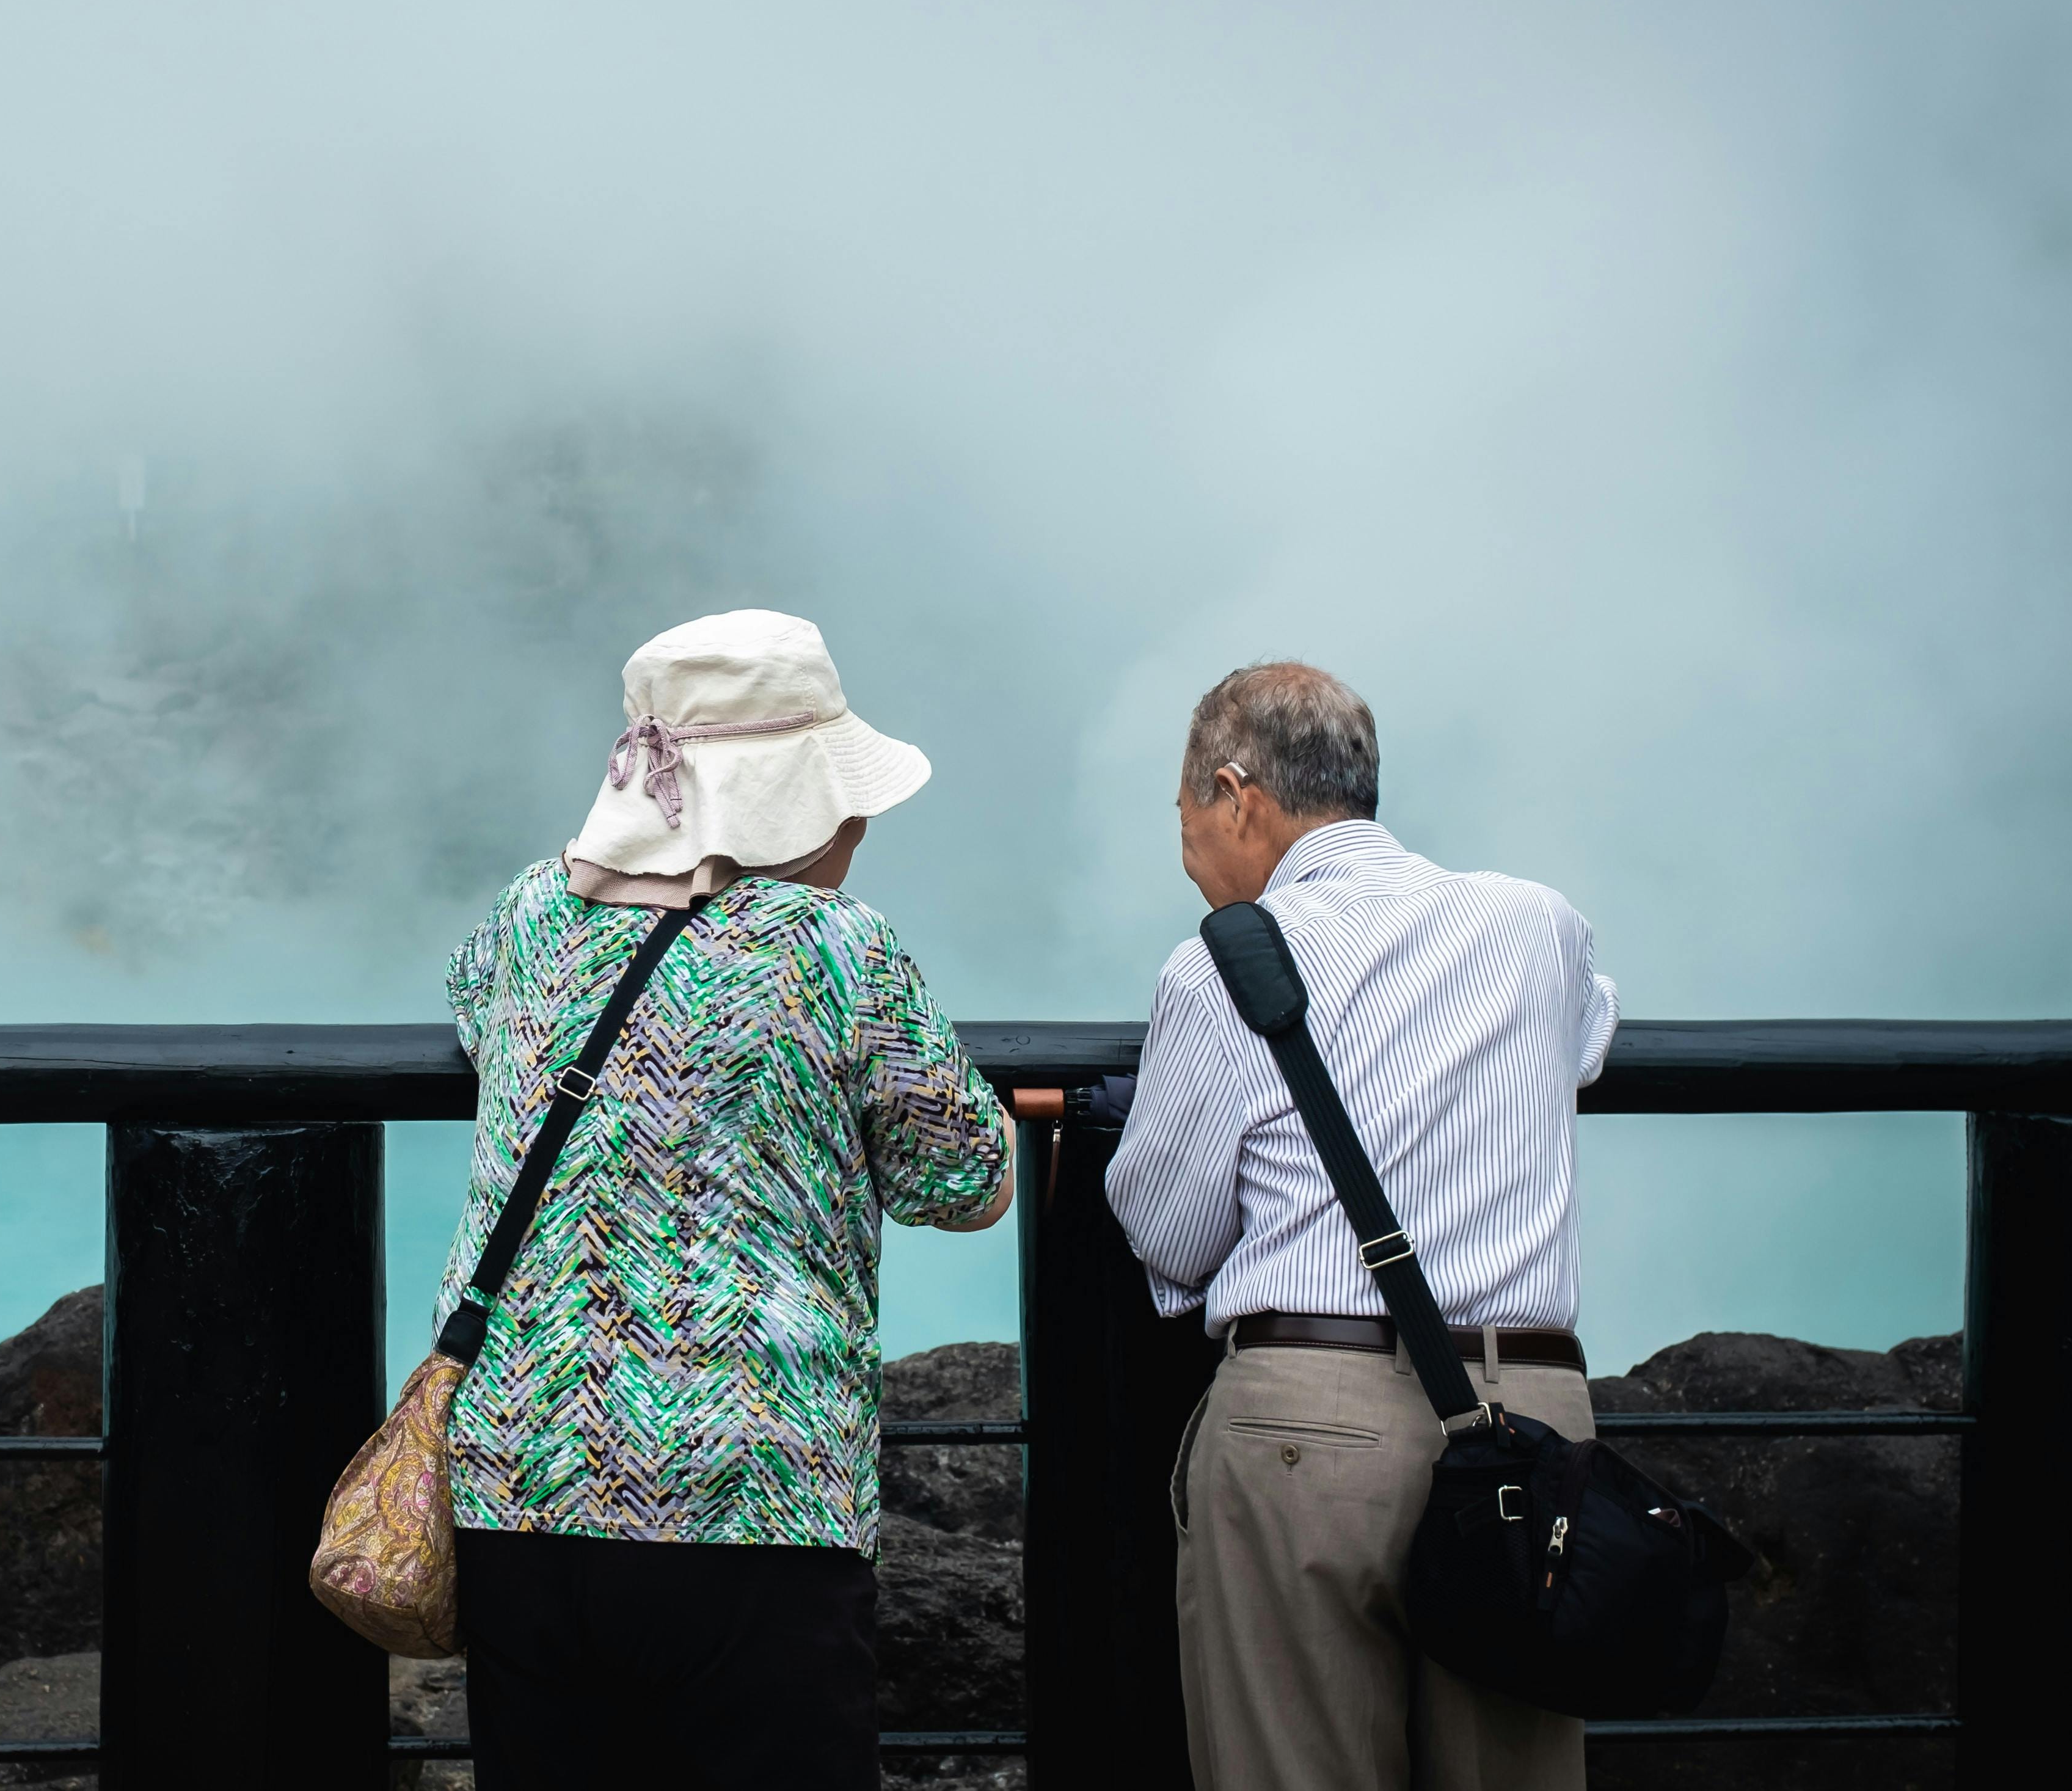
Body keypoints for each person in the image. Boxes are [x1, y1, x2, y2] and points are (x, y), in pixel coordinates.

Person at [438, 607, 1013, 1791]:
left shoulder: (531, 914)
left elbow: (475, 1017)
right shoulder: (838, 948)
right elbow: (965, 1180)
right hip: (747, 1496)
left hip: (519, 1489)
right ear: (796, 800)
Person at [1106, 663, 1619, 1791]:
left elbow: (1169, 1232)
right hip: (1530, 1423)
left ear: (1236, 794)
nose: (1185, 844)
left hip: (1304, 1419)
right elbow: (1582, 1048)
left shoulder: (1216, 969)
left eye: (1184, 812)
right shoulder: (1538, 926)